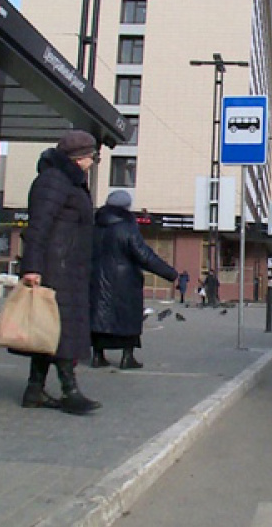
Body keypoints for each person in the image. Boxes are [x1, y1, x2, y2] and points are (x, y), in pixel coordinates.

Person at [17, 130, 101, 416]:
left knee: (48, 330)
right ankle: (70, 391)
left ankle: (34, 390)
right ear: (79, 158)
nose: (93, 161)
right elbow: (38, 226)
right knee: (62, 330)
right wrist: (32, 267)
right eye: (92, 156)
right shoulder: (54, 181)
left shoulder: (69, 182)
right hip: (56, 268)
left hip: (68, 266)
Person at [90, 190, 178, 370]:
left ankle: (98, 356)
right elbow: (144, 256)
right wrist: (170, 273)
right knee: (128, 318)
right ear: (126, 207)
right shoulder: (127, 228)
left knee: (100, 317)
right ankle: (127, 357)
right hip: (125, 283)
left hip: (97, 280)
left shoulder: (95, 226)